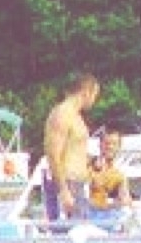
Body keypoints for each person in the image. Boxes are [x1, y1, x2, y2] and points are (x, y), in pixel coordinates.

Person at [43, 72, 100, 221]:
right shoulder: (62, 114)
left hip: (78, 183)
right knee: (67, 231)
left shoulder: (76, 116)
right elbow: (53, 154)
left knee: (81, 231)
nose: (94, 100)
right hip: (66, 182)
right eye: (94, 95)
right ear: (86, 91)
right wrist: (63, 190)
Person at [87, 130, 135, 218]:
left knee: (127, 212)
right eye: (106, 143)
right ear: (100, 145)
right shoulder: (88, 166)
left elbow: (126, 199)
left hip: (104, 216)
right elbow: (83, 200)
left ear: (119, 147)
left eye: (114, 144)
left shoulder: (118, 175)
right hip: (86, 215)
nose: (110, 147)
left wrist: (125, 202)